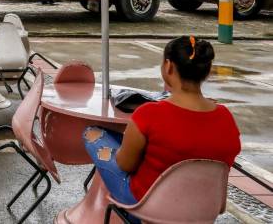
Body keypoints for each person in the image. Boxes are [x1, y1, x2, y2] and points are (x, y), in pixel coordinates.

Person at [83, 36, 241, 206]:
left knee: (92, 133)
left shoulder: (149, 114)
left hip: (147, 205)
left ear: (168, 66)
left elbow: (125, 165)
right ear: (207, 70)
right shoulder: (226, 118)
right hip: (204, 208)